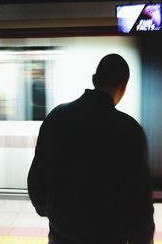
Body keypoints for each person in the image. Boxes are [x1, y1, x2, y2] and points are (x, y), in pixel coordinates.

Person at [28, 53, 155, 244]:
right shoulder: (129, 130)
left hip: (60, 237)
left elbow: (36, 180)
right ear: (123, 87)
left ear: (94, 80)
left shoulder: (56, 118)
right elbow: (139, 203)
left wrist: (50, 212)